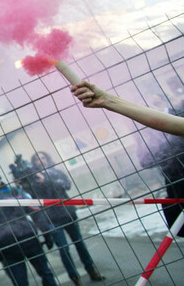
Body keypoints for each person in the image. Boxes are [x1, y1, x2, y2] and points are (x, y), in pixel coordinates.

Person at [72, 80, 184, 237]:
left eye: (154, 102)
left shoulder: (179, 113)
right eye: (146, 105)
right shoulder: (145, 132)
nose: (151, 106)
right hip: (178, 190)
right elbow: (145, 160)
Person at [28, 151, 105, 286]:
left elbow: (67, 185)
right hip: (51, 217)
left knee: (79, 243)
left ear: (48, 159)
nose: (41, 161)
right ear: (34, 163)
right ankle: (75, 278)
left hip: (67, 212)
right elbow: (34, 196)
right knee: (63, 249)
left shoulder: (56, 172)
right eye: (37, 159)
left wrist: (47, 180)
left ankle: (91, 270)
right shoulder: (32, 179)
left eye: (43, 157)